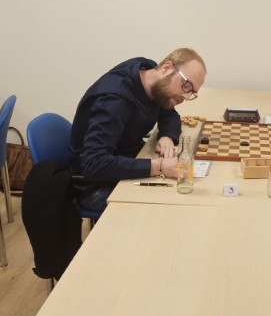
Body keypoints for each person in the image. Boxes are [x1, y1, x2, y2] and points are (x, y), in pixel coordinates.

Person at [69, 48, 207, 213]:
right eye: (186, 85)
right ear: (167, 68)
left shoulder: (149, 75)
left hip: (127, 161)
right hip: (96, 185)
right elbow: (94, 164)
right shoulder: (114, 101)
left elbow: (169, 113)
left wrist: (167, 136)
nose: (186, 97)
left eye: (192, 92)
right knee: (170, 208)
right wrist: (158, 167)